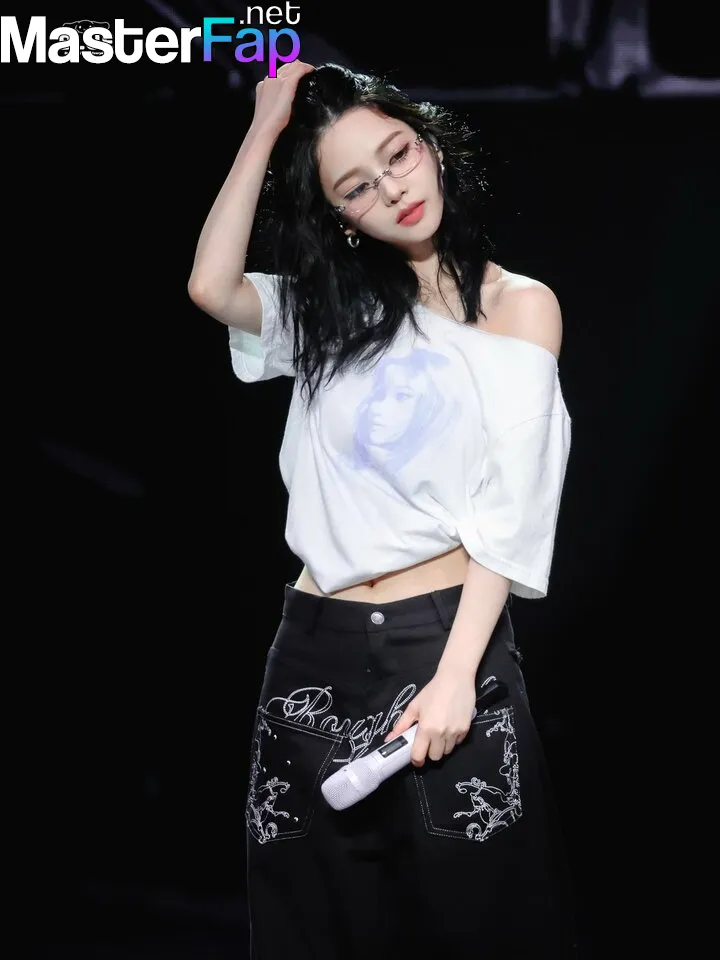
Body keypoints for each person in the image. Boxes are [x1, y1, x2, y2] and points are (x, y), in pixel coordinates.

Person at [188, 60, 577, 960]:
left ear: (429, 143)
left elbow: (512, 510)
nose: (392, 189)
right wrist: (265, 127)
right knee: (310, 926)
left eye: (397, 155)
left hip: (441, 642)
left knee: (483, 921)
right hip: (311, 646)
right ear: (339, 216)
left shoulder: (518, 308)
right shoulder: (330, 309)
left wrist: (456, 675)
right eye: (356, 187)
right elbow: (211, 287)